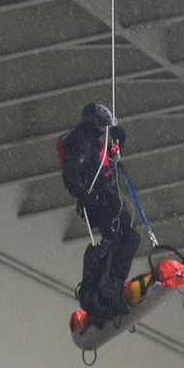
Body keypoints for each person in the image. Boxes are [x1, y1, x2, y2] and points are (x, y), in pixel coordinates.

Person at [58, 102, 141, 327]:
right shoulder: (83, 142)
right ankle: (109, 286)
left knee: (121, 239)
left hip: (105, 200)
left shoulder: (91, 142)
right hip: (100, 202)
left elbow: (108, 161)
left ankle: (108, 286)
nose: (104, 130)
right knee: (127, 238)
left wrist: (119, 141)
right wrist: (85, 194)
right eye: (103, 126)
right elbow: (73, 173)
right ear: (94, 124)